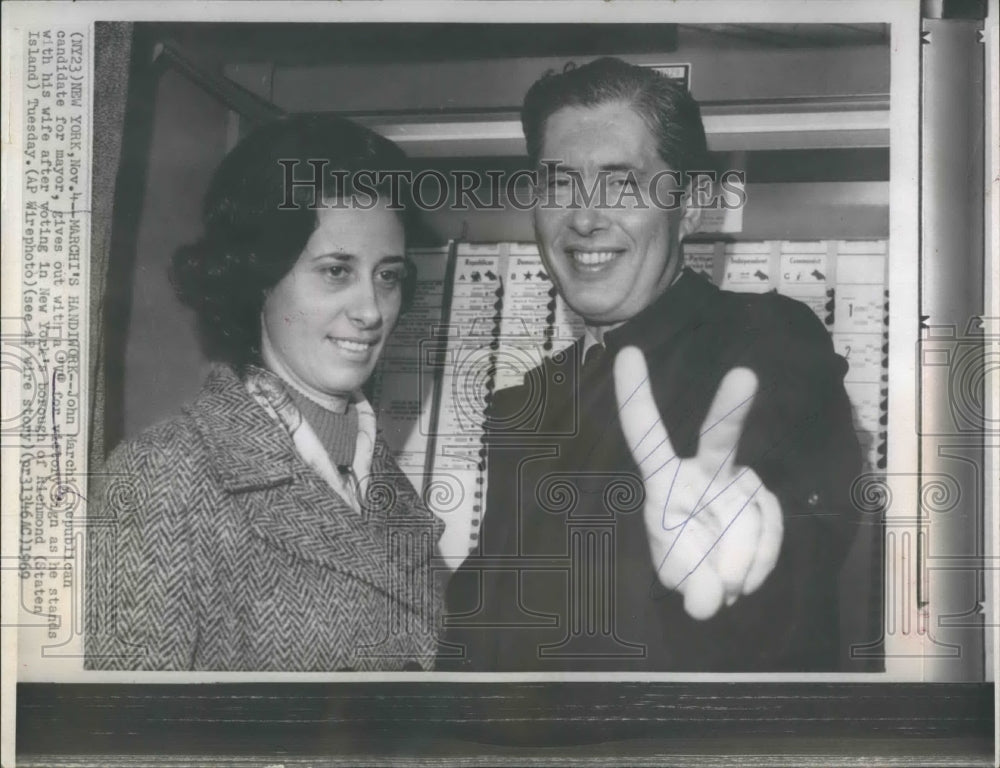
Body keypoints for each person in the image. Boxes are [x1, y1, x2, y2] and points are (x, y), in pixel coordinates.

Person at [441, 58, 867, 671]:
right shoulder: (526, 402)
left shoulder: (763, 342)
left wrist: (728, 565)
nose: (584, 219)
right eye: (559, 184)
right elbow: (480, 633)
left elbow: (791, 551)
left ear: (690, 206)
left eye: (620, 184)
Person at [85, 115, 443, 671]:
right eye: (336, 271)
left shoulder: (384, 484)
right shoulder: (161, 479)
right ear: (258, 276)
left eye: (388, 275)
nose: (372, 310)